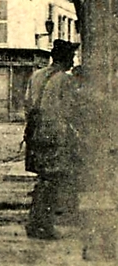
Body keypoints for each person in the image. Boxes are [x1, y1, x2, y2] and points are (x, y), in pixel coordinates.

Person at [25, 39, 79, 240]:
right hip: (56, 136)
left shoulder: (36, 76)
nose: (73, 61)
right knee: (53, 181)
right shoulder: (66, 80)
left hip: (37, 135)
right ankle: (42, 225)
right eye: (71, 57)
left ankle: (35, 222)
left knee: (43, 179)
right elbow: (72, 109)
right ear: (64, 58)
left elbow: (28, 105)